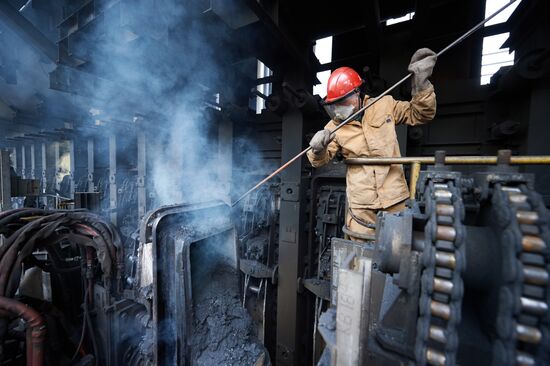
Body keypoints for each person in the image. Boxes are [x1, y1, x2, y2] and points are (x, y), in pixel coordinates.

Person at [307, 48, 437, 241]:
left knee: (397, 255)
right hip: (362, 206)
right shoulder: (333, 127)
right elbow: (318, 161)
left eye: (344, 101)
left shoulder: (384, 105)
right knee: (362, 261)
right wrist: (318, 149)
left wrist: (421, 84)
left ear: (358, 92)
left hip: (395, 200)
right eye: (335, 104)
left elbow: (421, 113)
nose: (340, 108)